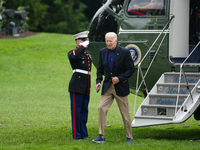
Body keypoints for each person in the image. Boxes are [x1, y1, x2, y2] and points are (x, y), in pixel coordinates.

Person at [92, 32, 135, 143]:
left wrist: (120, 78)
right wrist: (98, 81)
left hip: (120, 87)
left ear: (116, 40)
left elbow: (131, 69)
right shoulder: (103, 52)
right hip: (107, 86)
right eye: (107, 41)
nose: (108, 43)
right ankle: (101, 136)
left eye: (110, 41)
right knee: (101, 108)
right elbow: (100, 69)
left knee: (125, 114)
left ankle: (129, 137)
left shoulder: (124, 52)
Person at [68, 31, 92, 140]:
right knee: (76, 112)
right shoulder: (73, 52)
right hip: (76, 85)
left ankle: (84, 134)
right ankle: (76, 135)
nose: (86, 43)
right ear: (78, 41)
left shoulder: (87, 54)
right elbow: (73, 57)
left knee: (84, 111)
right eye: (84, 40)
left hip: (86, 85)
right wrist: (81, 47)